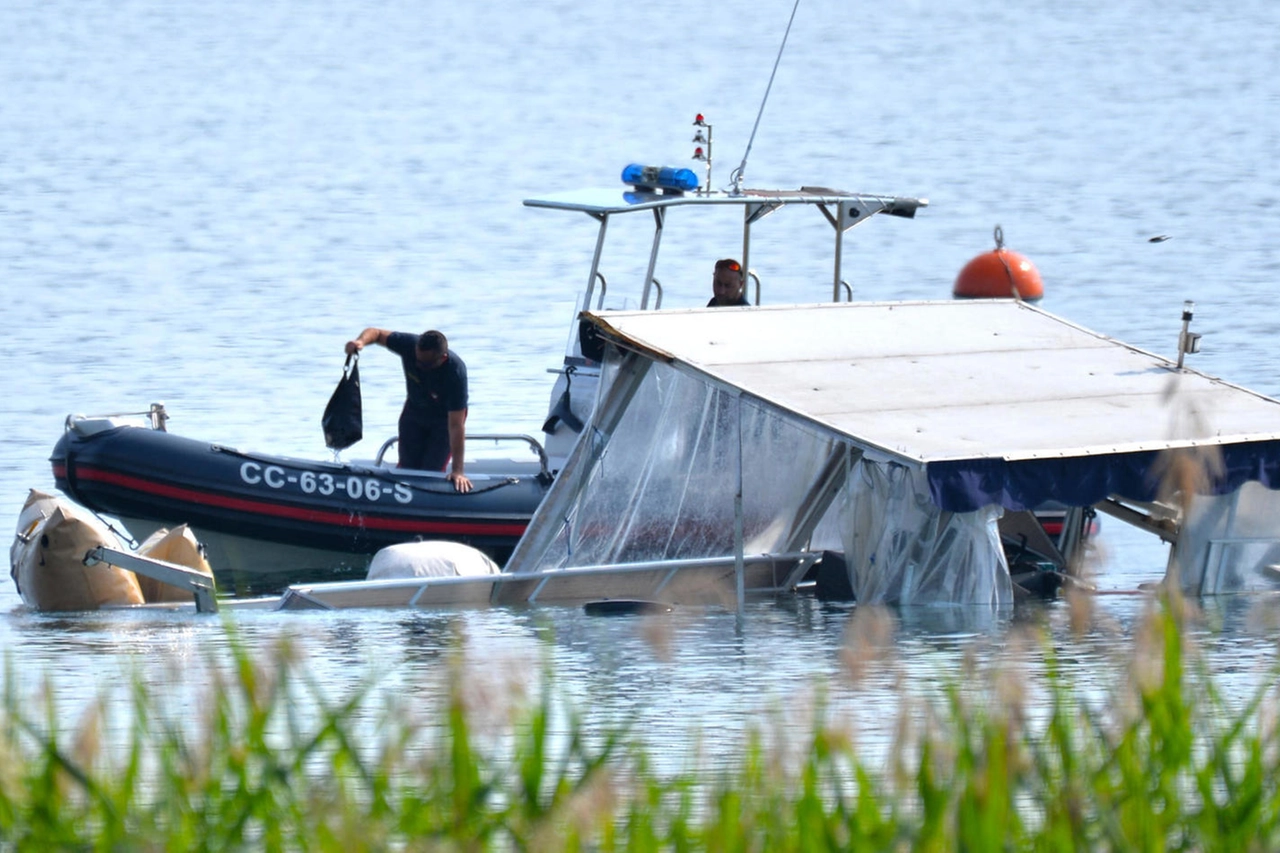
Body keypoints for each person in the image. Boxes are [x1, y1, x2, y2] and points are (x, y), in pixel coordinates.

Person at [345, 328, 472, 492]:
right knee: (407, 468)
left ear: (443, 358)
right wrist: (360, 342)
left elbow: (456, 425)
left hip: (443, 422)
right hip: (414, 413)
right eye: (417, 361)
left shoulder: (455, 372)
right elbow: (376, 333)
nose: (418, 366)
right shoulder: (408, 345)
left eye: (425, 364)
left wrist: (458, 471)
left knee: (429, 472)